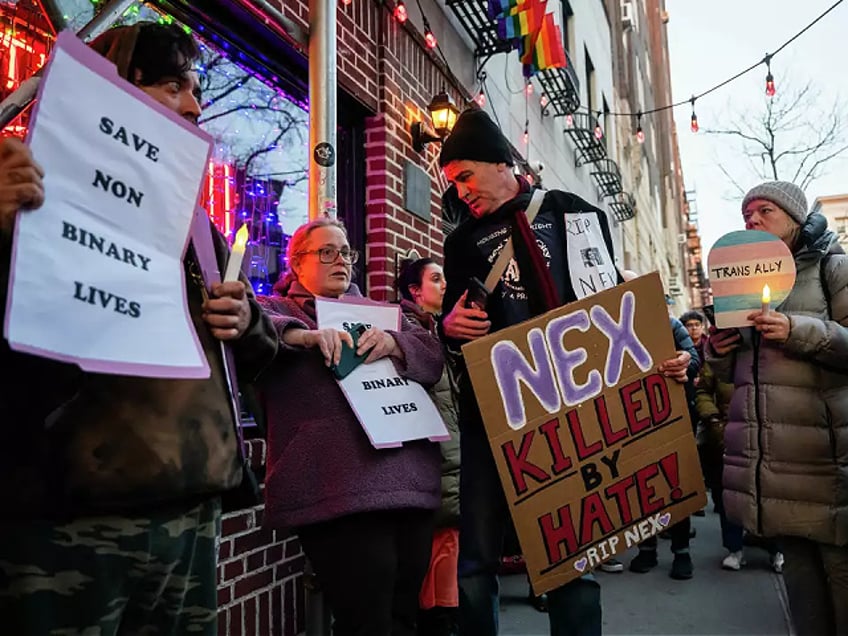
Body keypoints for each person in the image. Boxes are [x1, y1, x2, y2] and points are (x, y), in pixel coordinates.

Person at [0, 23, 278, 635]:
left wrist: (249, 320)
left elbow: (250, 356)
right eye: (172, 84)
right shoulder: (31, 185)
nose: (195, 103)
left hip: (190, 509)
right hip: (70, 520)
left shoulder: (194, 219)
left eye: (197, 87)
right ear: (112, 91)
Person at [437, 108, 692, 636]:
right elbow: (457, 330)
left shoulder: (577, 213)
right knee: (477, 557)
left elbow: (607, 303)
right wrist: (451, 328)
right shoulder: (461, 241)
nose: (460, 191)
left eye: (464, 175)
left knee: (574, 553)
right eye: (452, 182)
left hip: (572, 408)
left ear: (499, 162)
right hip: (493, 413)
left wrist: (657, 356)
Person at [258, 218, 444, 636]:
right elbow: (251, 329)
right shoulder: (278, 309)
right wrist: (304, 336)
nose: (340, 259)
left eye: (345, 251)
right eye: (327, 251)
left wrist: (395, 343)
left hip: (408, 483)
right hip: (334, 488)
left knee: (401, 616)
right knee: (366, 620)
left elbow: (432, 356)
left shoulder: (381, 314)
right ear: (297, 262)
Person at [708, 181, 848, 635]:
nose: (751, 220)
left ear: (794, 217)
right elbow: (738, 374)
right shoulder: (741, 281)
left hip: (828, 462)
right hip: (778, 470)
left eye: (764, 211)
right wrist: (719, 348)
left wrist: (796, 329)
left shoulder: (834, 268)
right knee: (804, 602)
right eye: (746, 213)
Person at [396, 257, 461, 636]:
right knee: (435, 559)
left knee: (446, 551)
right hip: (430, 467)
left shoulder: (437, 332)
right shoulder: (404, 330)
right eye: (435, 279)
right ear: (414, 291)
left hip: (447, 466)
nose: (444, 284)